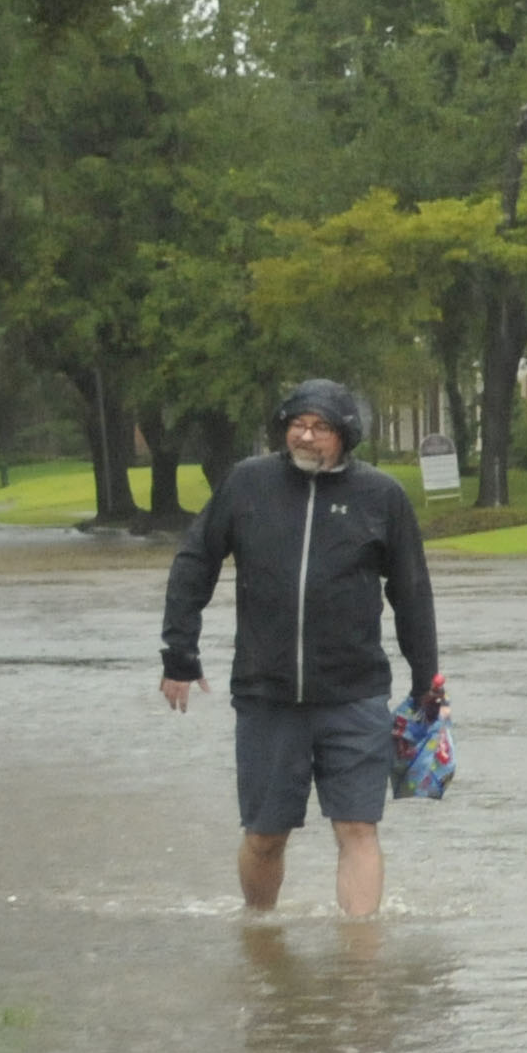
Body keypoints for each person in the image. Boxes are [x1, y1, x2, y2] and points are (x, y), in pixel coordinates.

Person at [160, 381, 445, 920]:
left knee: (358, 827)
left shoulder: (381, 497)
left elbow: (411, 592)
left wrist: (427, 683)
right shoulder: (248, 485)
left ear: (346, 437)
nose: (305, 436)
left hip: (355, 694)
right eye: (297, 424)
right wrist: (179, 651)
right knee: (265, 836)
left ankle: (360, 966)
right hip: (267, 696)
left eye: (320, 428)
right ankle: (260, 933)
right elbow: (195, 560)